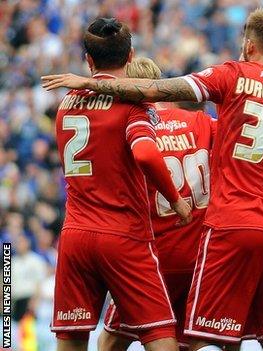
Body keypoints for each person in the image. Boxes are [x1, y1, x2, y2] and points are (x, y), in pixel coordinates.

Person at [43, 9, 263, 351]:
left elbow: (156, 115)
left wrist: (91, 85)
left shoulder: (73, 107)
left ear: (249, 46)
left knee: (153, 337)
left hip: (194, 231)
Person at [49, 18, 192, 351]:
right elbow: (144, 153)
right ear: (131, 56)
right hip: (123, 235)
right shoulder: (131, 104)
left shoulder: (66, 104)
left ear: (88, 60)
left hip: (75, 235)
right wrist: (176, 200)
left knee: (72, 338)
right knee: (160, 337)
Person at [97, 57, 215, 351]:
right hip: (197, 258)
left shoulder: (131, 131)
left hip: (153, 259)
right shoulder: (202, 121)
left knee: (112, 339)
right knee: (195, 341)